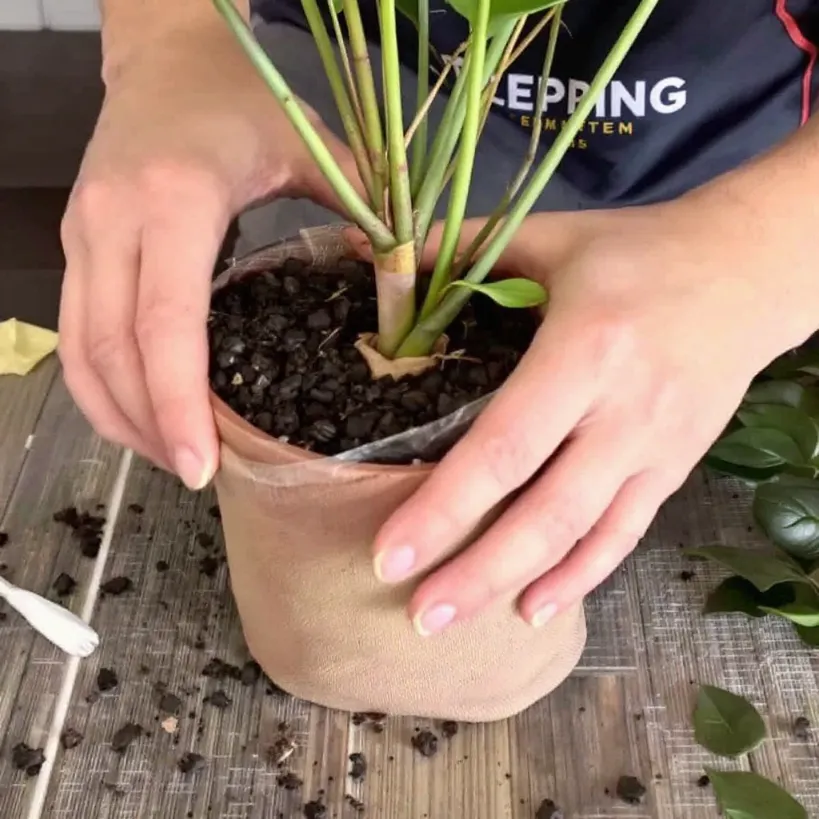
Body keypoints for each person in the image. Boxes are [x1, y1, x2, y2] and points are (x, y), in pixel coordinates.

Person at [60, 0, 818, 637]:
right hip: (348, 78)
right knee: (317, 258)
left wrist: (761, 249)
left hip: (733, 161)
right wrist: (171, 42)